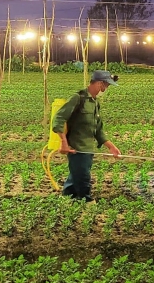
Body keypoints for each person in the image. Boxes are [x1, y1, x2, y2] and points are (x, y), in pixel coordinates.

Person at [52, 70, 121, 202]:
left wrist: (111, 147)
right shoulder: (78, 98)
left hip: (88, 149)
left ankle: (66, 199)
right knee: (83, 177)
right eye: (106, 85)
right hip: (77, 148)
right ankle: (86, 202)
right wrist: (63, 142)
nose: (106, 89)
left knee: (75, 177)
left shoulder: (95, 103)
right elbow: (59, 118)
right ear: (100, 83)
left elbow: (98, 130)